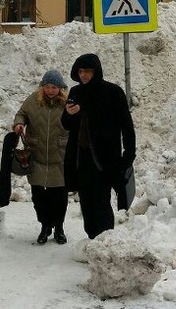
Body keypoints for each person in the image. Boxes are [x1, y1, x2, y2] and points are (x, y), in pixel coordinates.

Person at [61, 53, 136, 239]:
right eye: (80, 71)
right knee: (86, 202)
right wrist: (70, 114)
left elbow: (127, 126)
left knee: (101, 202)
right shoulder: (76, 92)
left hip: (104, 159)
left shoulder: (112, 92)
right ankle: (92, 239)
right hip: (81, 158)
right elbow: (66, 125)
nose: (84, 75)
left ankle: (105, 240)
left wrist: (128, 155)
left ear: (96, 71)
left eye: (88, 71)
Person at [13, 70, 69, 245]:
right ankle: (45, 226)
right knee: (38, 196)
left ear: (60, 88)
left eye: (54, 87)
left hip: (59, 155)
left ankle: (59, 227)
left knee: (59, 197)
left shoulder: (67, 104)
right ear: (42, 87)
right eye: (47, 87)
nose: (50, 90)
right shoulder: (33, 101)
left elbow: (78, 121)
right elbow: (21, 113)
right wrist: (19, 123)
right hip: (36, 155)